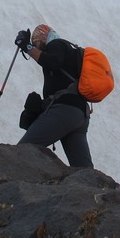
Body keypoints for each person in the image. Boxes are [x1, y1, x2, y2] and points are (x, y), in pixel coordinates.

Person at [15, 24, 93, 168]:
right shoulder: (69, 50)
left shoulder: (57, 44)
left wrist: (27, 47)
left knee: (23, 151)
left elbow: (52, 62)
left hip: (64, 110)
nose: (36, 46)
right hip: (79, 114)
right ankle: (95, 188)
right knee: (82, 167)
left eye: (36, 42)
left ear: (44, 36)